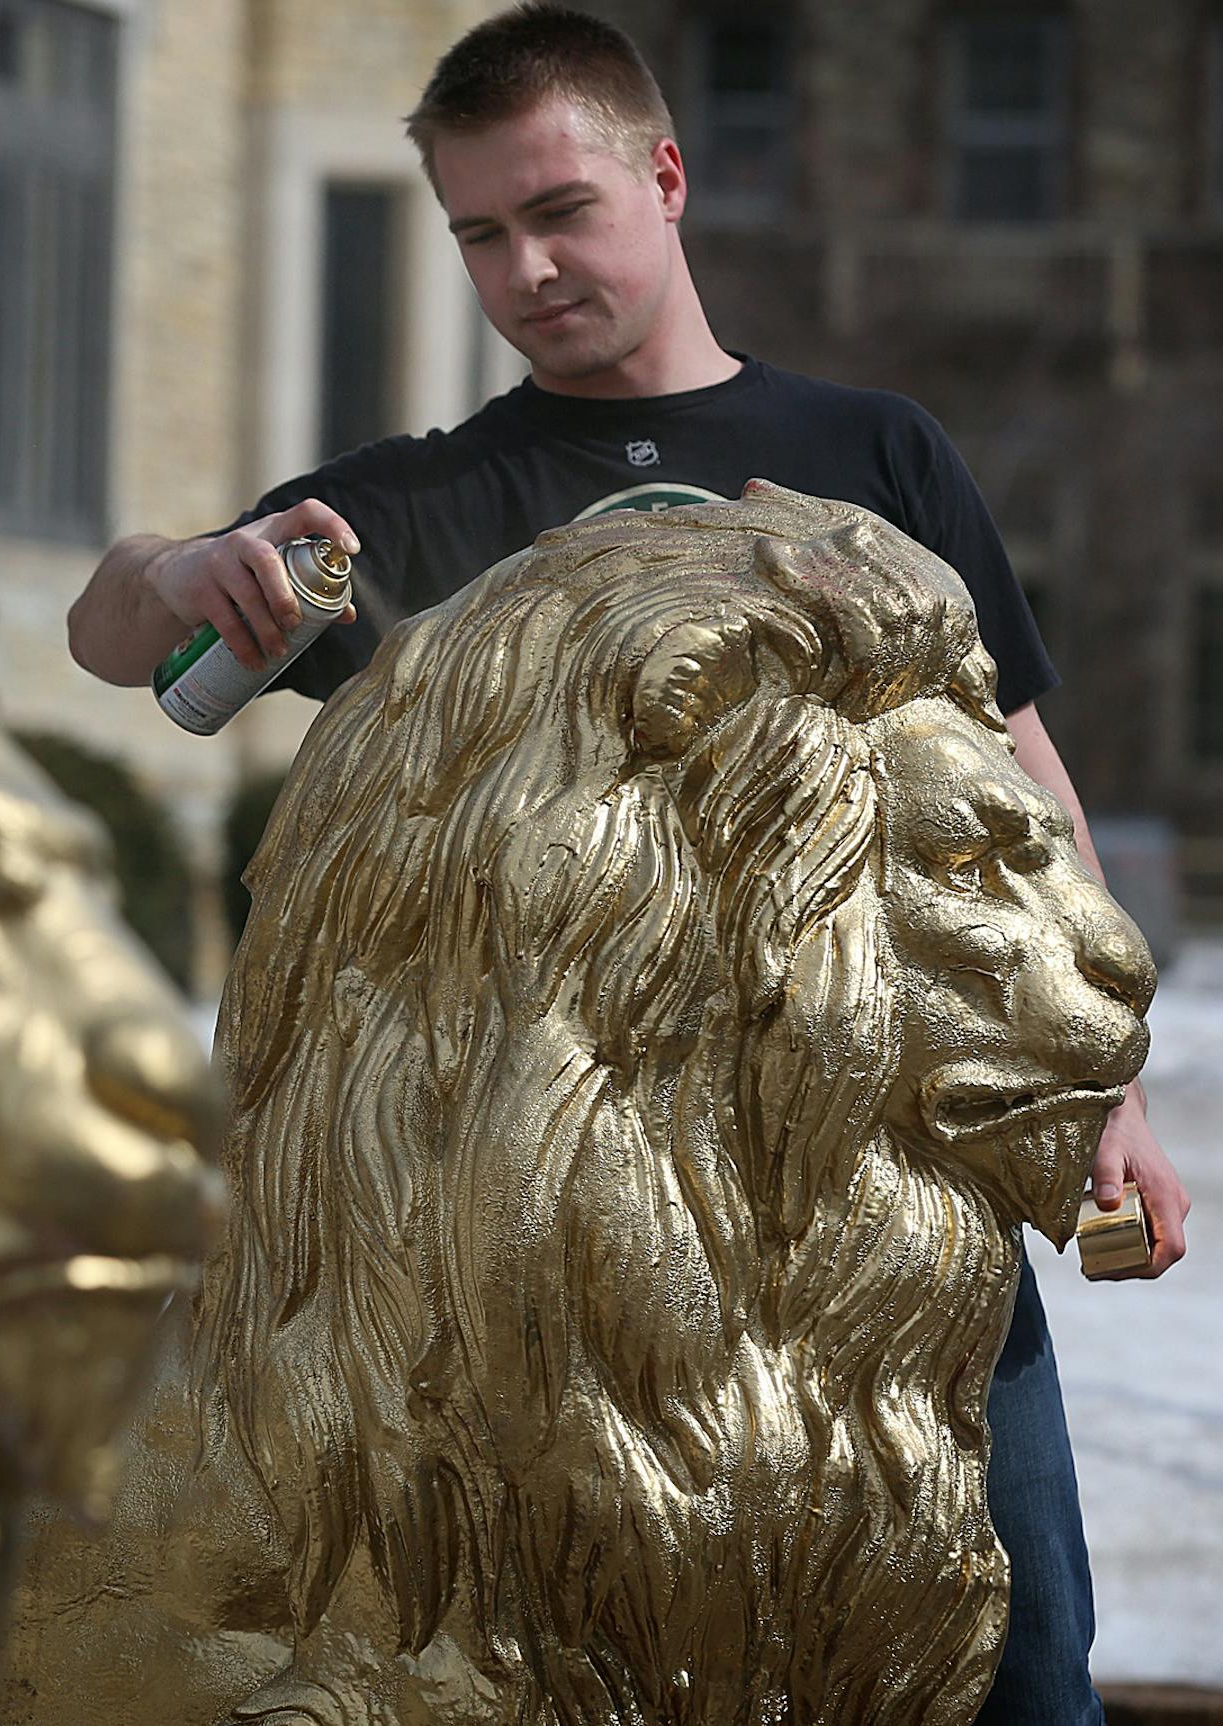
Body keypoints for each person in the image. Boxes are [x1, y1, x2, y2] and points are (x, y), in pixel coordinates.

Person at [66, 6, 1190, 1720]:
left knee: (1021, 1650)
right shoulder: (419, 510)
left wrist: (1104, 1088)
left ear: (663, 179)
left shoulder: (877, 452)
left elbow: (1016, 776)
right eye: (480, 235)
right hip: (581, 1257)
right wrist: (184, 563)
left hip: (882, 1178)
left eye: (561, 210)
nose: (526, 268)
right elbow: (109, 638)